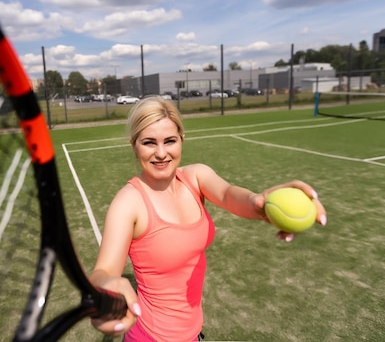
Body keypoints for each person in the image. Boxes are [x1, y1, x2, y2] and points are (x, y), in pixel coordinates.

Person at [89, 96, 327, 341]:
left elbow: (229, 194)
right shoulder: (128, 202)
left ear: (182, 139)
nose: (161, 153)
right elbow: (104, 271)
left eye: (170, 141)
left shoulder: (195, 177)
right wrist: (105, 286)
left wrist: (261, 203)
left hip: (193, 333)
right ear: (134, 144)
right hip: (151, 337)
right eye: (149, 143)